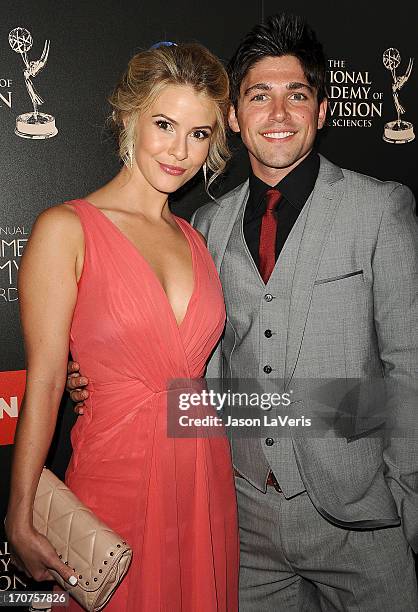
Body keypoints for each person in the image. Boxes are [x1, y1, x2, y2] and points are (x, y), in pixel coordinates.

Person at [68, 14, 418, 611]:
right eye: (259, 96)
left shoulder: (380, 209)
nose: (278, 113)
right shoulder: (204, 225)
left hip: (364, 520)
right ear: (233, 117)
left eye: (296, 95)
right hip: (244, 521)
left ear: (323, 110)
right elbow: (199, 373)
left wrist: (405, 498)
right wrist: (113, 384)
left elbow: (407, 365)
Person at [5, 43, 239, 612]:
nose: (180, 150)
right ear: (130, 117)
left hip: (204, 478)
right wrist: (19, 512)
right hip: (117, 477)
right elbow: (46, 382)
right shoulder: (66, 229)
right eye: (165, 124)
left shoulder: (197, 239)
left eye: (200, 133)